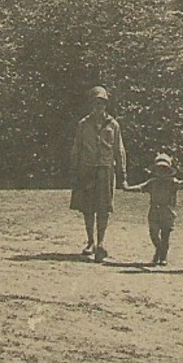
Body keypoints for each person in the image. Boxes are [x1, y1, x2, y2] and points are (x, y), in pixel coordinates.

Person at [69, 86, 127, 263]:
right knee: (88, 208)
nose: (98, 106)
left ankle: (101, 242)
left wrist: (122, 174)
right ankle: (90, 242)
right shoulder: (83, 124)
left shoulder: (113, 125)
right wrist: (74, 170)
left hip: (105, 169)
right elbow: (76, 148)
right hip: (87, 169)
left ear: (106, 105)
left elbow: (119, 150)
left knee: (104, 208)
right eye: (95, 103)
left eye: (101, 103)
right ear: (91, 105)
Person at [125, 153, 183, 267]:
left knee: (165, 235)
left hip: (168, 211)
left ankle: (163, 256)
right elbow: (141, 187)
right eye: (159, 169)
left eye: (164, 169)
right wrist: (127, 188)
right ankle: (159, 248)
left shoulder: (173, 182)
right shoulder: (152, 182)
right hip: (154, 211)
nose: (162, 172)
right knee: (153, 233)